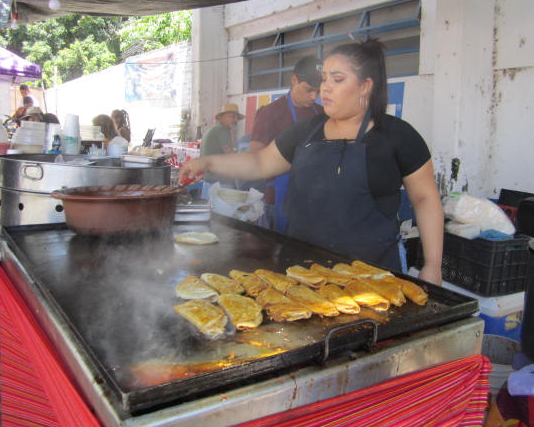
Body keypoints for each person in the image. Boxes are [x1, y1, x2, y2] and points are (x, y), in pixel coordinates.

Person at [180, 39, 443, 284]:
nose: (325, 87)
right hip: (301, 274)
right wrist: (207, 162)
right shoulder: (306, 131)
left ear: (365, 86)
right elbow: (259, 163)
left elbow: (425, 199)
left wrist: (432, 265)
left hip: (371, 278)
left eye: (337, 79)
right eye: (324, 79)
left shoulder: (398, 136)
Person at [249, 55, 323, 232]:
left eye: (318, 91)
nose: (314, 96)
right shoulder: (270, 112)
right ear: (294, 79)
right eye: (309, 90)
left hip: (314, 199)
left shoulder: (322, 114)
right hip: (278, 200)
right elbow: (255, 157)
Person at [199, 103, 244, 198]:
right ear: (222, 117)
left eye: (236, 117)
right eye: (232, 117)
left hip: (209, 180)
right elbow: (230, 155)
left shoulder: (217, 129)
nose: (235, 120)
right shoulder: (222, 130)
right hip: (219, 183)